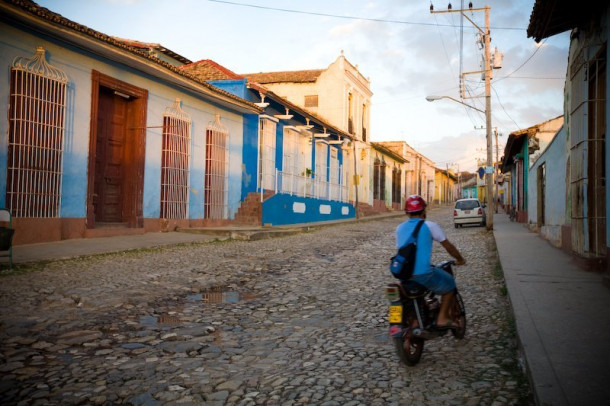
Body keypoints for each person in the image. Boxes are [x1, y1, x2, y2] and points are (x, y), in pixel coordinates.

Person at [395, 194, 466, 329]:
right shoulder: (430, 226)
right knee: (450, 283)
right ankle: (442, 318)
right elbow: (448, 246)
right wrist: (460, 259)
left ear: (406, 212)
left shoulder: (399, 228)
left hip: (403, 275)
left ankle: (419, 316)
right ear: (424, 211)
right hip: (423, 274)